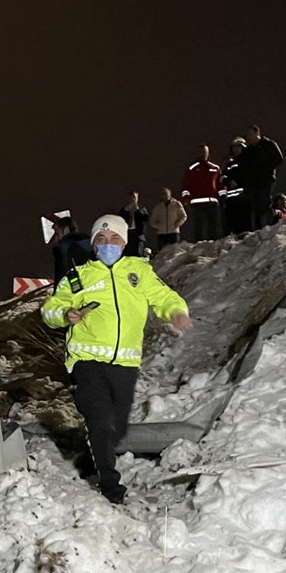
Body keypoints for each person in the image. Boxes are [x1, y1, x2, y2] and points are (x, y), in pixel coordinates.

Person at [40, 215, 192, 504]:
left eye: (114, 239)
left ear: (124, 243)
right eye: (101, 239)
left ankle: (96, 452)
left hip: (125, 363)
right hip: (87, 361)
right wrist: (65, 315)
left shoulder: (139, 272)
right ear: (94, 245)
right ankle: (111, 485)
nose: (108, 244)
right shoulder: (78, 277)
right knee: (99, 421)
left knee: (117, 427)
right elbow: (50, 309)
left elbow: (163, 296)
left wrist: (175, 311)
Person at [241, 125, 284, 230]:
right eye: (247, 135)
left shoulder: (268, 145)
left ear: (257, 133)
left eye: (251, 134)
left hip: (266, 180)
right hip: (253, 182)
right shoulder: (249, 150)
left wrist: (265, 169)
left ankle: (269, 228)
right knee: (255, 207)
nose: (249, 137)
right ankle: (258, 229)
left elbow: (279, 159)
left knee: (265, 204)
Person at [180, 144, 225, 240]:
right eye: (201, 152)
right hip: (197, 204)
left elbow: (220, 185)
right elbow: (186, 185)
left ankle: (213, 244)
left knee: (213, 228)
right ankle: (199, 247)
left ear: (208, 153)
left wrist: (222, 198)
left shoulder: (215, 168)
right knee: (198, 228)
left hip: (212, 203)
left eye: (205, 152)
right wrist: (186, 199)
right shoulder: (192, 169)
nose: (203, 154)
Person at [47, 214, 92, 284]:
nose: (56, 238)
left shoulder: (64, 245)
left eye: (57, 233)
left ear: (66, 230)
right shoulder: (89, 242)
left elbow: (62, 272)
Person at [221, 137, 253, 235]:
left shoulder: (248, 162)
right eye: (234, 147)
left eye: (238, 147)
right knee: (232, 222)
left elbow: (250, 176)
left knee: (244, 223)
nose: (236, 149)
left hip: (244, 197)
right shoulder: (230, 164)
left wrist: (238, 182)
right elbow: (222, 177)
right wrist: (228, 181)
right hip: (231, 199)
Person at [115, 190, 150, 257]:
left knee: (138, 254)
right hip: (128, 234)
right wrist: (127, 210)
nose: (133, 199)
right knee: (127, 254)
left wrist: (136, 210)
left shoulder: (142, 209)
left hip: (138, 235)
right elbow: (120, 219)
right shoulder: (123, 210)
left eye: (134, 197)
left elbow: (145, 219)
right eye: (131, 197)